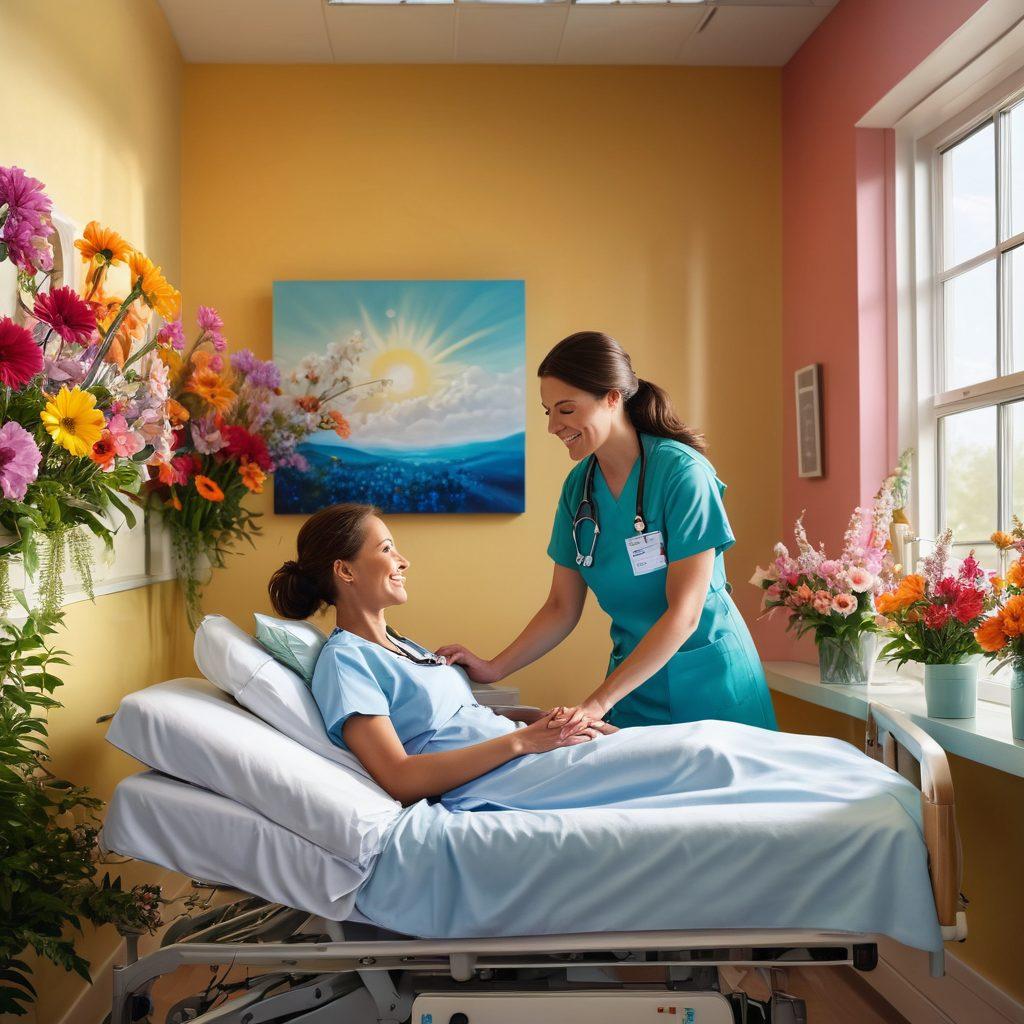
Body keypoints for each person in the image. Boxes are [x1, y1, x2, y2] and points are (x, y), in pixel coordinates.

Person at [438, 331, 776, 734]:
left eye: (565, 409)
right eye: (547, 411)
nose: (552, 426)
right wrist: (493, 668)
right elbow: (562, 607)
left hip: (710, 682)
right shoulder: (578, 488)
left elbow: (684, 614)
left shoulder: (683, 475)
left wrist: (596, 702)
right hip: (634, 686)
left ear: (612, 397)